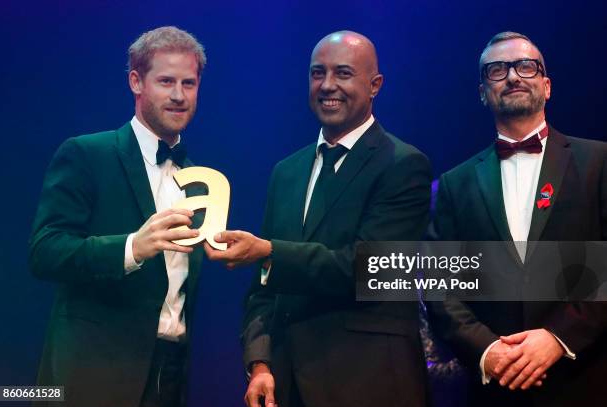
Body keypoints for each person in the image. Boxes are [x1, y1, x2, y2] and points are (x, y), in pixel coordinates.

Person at [205, 31, 432, 407]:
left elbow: (369, 270)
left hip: (370, 384)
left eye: (343, 73)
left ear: (375, 85)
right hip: (288, 385)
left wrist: (269, 250)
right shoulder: (287, 171)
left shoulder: (403, 165)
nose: (327, 85)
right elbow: (264, 287)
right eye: (317, 73)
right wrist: (259, 363)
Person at [29, 26, 207, 407]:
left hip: (171, 375)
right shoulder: (87, 154)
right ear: (136, 82)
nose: (179, 95)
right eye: (166, 81)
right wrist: (131, 248)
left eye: (188, 83)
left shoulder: (198, 179)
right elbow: (45, 252)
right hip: (93, 376)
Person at [428, 31, 607, 406]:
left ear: (547, 85)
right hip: (495, 387)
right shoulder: (454, 183)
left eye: (525, 66)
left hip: (586, 377)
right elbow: (439, 283)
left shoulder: (599, 162)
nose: (512, 76)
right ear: (482, 92)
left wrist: (558, 338)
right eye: (497, 70)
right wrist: (487, 349)